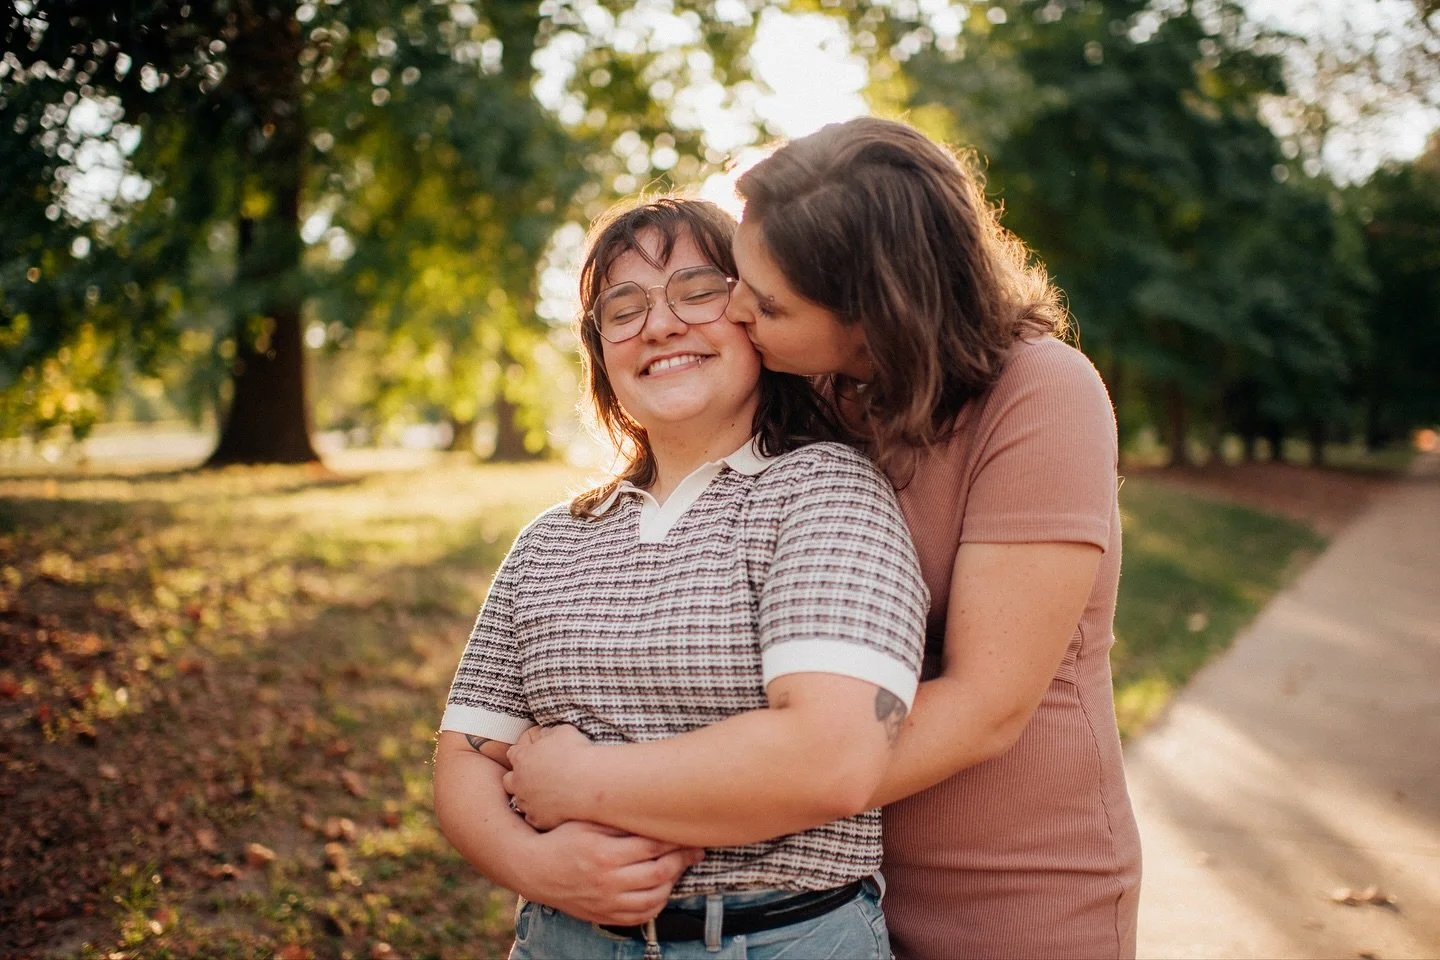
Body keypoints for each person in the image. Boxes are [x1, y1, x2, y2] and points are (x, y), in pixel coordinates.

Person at [508, 118, 1142, 959]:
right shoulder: (827, 397)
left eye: (765, 303)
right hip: (824, 891)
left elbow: (985, 707)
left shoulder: (1041, 396)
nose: (737, 309)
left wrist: (599, 786)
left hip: (1005, 889)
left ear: (874, 314)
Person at [432, 196, 928, 960]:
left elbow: (830, 759)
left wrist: (579, 783)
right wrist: (535, 864)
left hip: (783, 938)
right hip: (562, 941)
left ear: (755, 315)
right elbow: (465, 757)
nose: (660, 326)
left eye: (698, 291)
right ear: (601, 355)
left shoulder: (823, 491)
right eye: (622, 309)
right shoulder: (551, 540)